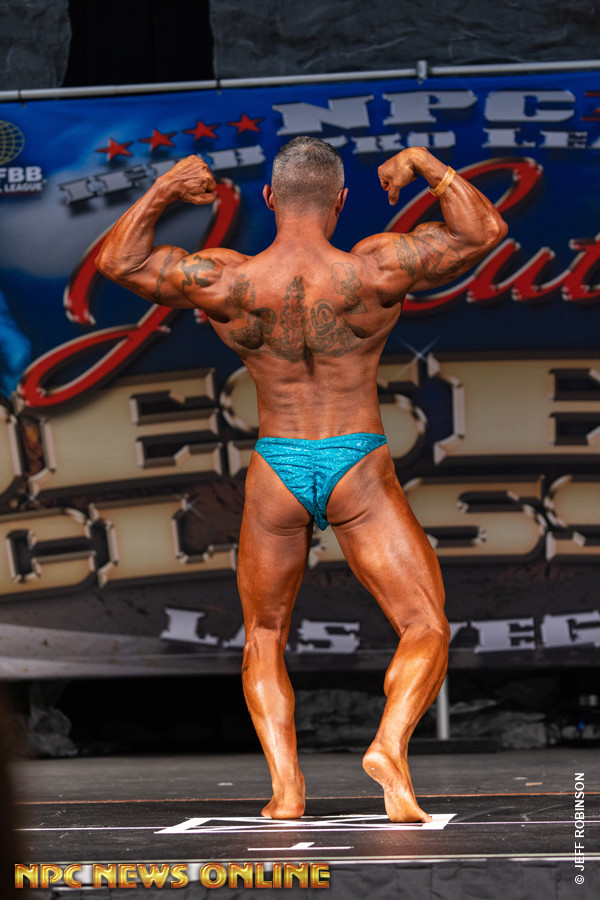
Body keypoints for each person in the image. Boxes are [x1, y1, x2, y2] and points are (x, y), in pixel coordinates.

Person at [96, 139, 507, 823]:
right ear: (341, 200)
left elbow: (119, 261)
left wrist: (166, 188)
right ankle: (389, 745)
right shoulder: (374, 267)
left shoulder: (228, 278)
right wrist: (425, 165)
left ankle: (287, 791)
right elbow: (482, 230)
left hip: (277, 465)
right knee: (423, 623)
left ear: (268, 198)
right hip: (357, 462)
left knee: (264, 633)